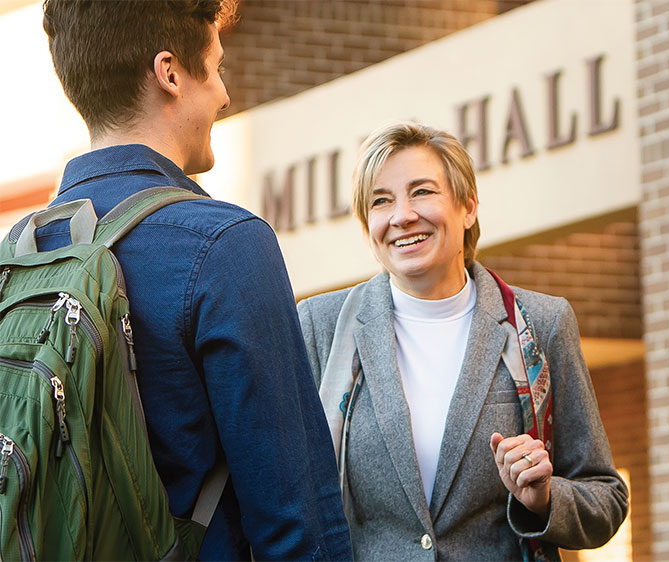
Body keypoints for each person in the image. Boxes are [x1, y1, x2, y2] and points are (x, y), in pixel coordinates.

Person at [38, 1, 351, 559]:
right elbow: (296, 520)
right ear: (171, 74)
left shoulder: (20, 255)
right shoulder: (225, 244)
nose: (225, 95)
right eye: (220, 66)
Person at [297, 121, 628, 560]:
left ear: (468, 207)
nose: (402, 215)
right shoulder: (319, 327)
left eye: (422, 192)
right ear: (367, 225)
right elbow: (290, 495)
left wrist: (543, 497)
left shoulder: (541, 324)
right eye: (381, 201)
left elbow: (606, 498)